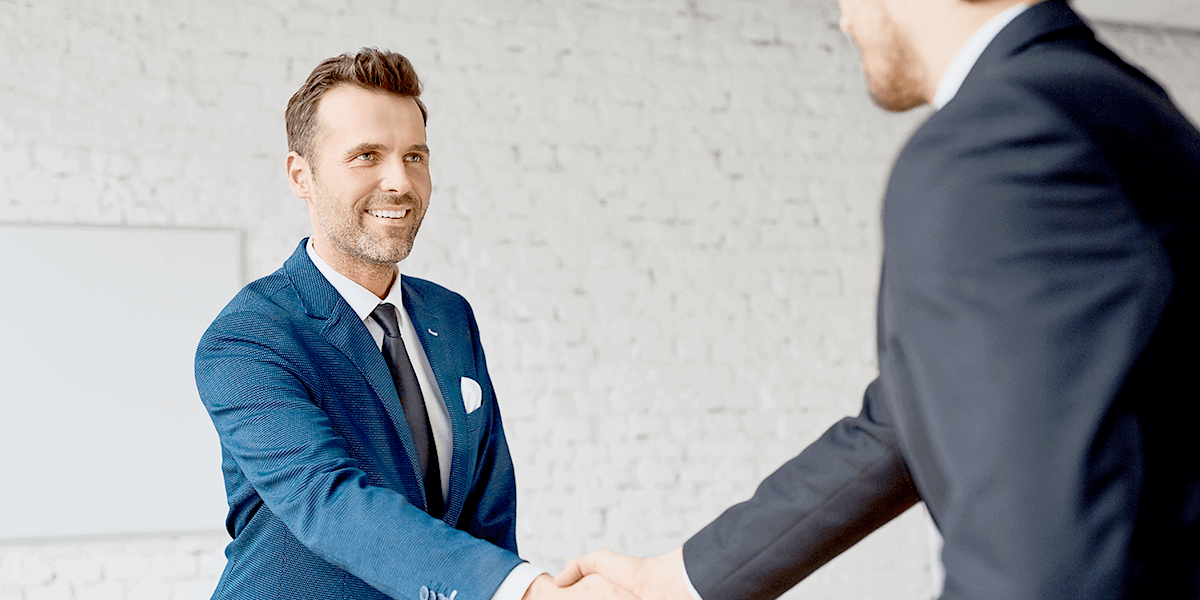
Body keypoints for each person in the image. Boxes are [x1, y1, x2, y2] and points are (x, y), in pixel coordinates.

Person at [557, 0, 1200, 598]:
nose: (842, 19)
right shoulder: (1122, 106)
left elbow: (1038, 557)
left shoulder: (994, 144)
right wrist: (678, 581)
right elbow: (903, 421)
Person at [195, 48, 635, 600]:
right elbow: (330, 501)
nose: (400, 182)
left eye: (415, 156)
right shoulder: (248, 338)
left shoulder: (450, 316)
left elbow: (486, 508)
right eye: (366, 155)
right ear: (300, 175)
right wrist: (526, 592)